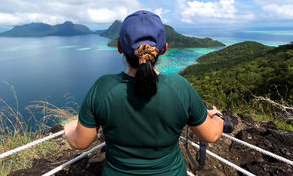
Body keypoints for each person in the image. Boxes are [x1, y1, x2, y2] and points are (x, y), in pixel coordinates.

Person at [64, 10, 224, 175]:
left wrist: (68, 128)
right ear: (164, 49)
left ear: (119, 47)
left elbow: (80, 142)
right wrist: (217, 116)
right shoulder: (180, 88)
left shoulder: (103, 88)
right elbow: (211, 135)